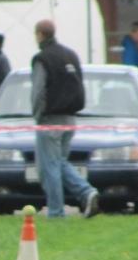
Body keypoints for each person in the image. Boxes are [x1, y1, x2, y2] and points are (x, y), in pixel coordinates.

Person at [31, 19, 99, 218]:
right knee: (59, 162)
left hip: (50, 119)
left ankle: (56, 211)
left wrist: (37, 116)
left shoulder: (42, 58)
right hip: (70, 119)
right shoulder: (71, 55)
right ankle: (86, 192)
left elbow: (38, 91)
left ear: (40, 35)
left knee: (50, 166)